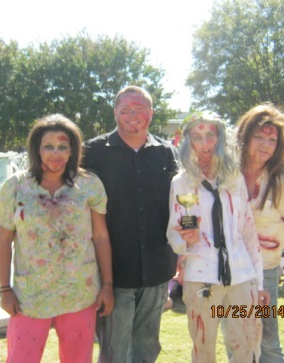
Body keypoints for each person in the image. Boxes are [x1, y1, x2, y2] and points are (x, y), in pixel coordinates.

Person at [0, 114, 114, 362]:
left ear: (72, 151)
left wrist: (107, 286)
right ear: (37, 149)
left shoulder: (89, 185)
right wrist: (5, 289)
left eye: (62, 147)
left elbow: (100, 236)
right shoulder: (16, 186)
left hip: (80, 291)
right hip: (30, 295)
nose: (55, 153)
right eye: (48, 146)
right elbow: (4, 241)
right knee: (21, 357)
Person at [82, 85, 178, 363]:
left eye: (139, 109)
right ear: (115, 113)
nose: (132, 115)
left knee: (147, 350)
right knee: (114, 352)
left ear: (151, 113)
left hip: (157, 269)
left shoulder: (167, 153)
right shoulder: (92, 153)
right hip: (114, 274)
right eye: (125, 110)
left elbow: (182, 206)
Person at [167, 112, 269, 363]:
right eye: (197, 136)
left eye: (210, 135)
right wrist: (185, 239)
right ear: (187, 141)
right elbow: (173, 232)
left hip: (241, 274)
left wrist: (259, 283)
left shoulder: (234, 178)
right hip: (201, 277)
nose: (204, 144)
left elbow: (247, 231)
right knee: (203, 348)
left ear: (220, 139)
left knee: (248, 343)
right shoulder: (181, 183)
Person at [236, 103, 284, 363]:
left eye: (272, 139)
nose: (264, 144)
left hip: (264, 271)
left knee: (267, 342)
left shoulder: (283, 184)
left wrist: (268, 243)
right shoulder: (227, 174)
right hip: (230, 270)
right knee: (236, 339)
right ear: (245, 135)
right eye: (258, 136)